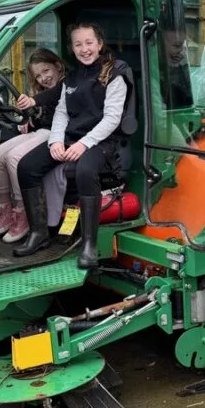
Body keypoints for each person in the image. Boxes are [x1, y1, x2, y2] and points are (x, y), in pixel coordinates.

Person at [15, 23, 136, 268]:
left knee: (85, 170)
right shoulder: (72, 76)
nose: (84, 49)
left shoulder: (116, 72)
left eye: (89, 42)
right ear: (72, 48)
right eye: (78, 44)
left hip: (104, 142)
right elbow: (61, 112)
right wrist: (56, 141)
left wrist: (83, 144)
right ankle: (39, 234)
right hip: (71, 137)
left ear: (99, 43)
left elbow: (112, 119)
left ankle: (89, 245)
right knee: (27, 166)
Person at [0, 48, 66, 243]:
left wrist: (33, 102)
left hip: (58, 134)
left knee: (15, 157)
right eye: (38, 76)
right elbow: (37, 117)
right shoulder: (40, 91)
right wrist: (27, 120)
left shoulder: (67, 84)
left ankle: (24, 212)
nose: (44, 78)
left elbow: (55, 96)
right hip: (40, 131)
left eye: (46, 71)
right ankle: (6, 208)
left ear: (57, 66)